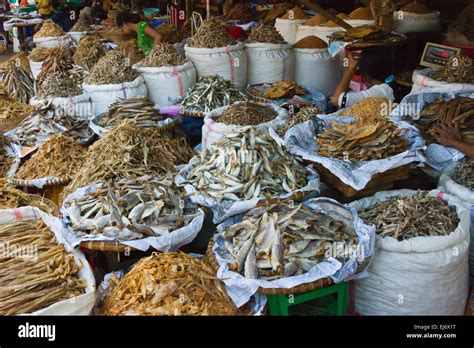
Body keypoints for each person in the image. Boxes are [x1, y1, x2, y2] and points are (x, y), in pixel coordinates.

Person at [330, 46, 401, 110]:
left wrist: (351, 70)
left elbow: (335, 100)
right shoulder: (390, 84)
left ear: (366, 74)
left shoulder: (382, 91)